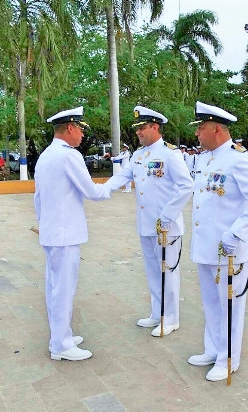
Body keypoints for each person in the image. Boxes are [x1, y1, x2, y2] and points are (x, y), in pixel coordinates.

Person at [187, 101, 248, 382]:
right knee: (211, 304)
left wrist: (237, 233)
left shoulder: (239, 159)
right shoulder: (205, 159)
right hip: (207, 247)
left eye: (200, 128)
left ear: (216, 129)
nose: (197, 134)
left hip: (230, 251)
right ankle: (213, 349)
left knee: (230, 305)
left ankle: (228, 358)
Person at [103, 106, 193, 337]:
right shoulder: (139, 155)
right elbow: (123, 176)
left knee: (168, 272)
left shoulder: (170, 154)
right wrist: (102, 189)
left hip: (166, 227)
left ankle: (171, 318)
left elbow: (186, 186)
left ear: (155, 127)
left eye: (142, 128)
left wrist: (167, 216)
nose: (139, 133)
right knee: (153, 271)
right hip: (146, 225)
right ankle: (157, 313)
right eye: (137, 129)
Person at [34, 106, 111, 361]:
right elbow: (92, 192)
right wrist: (115, 182)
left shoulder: (46, 155)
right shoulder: (69, 156)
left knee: (55, 287)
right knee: (63, 289)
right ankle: (61, 346)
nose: (81, 135)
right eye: (80, 129)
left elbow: (38, 198)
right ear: (70, 128)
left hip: (52, 232)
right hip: (65, 235)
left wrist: (45, 224)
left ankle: (60, 335)